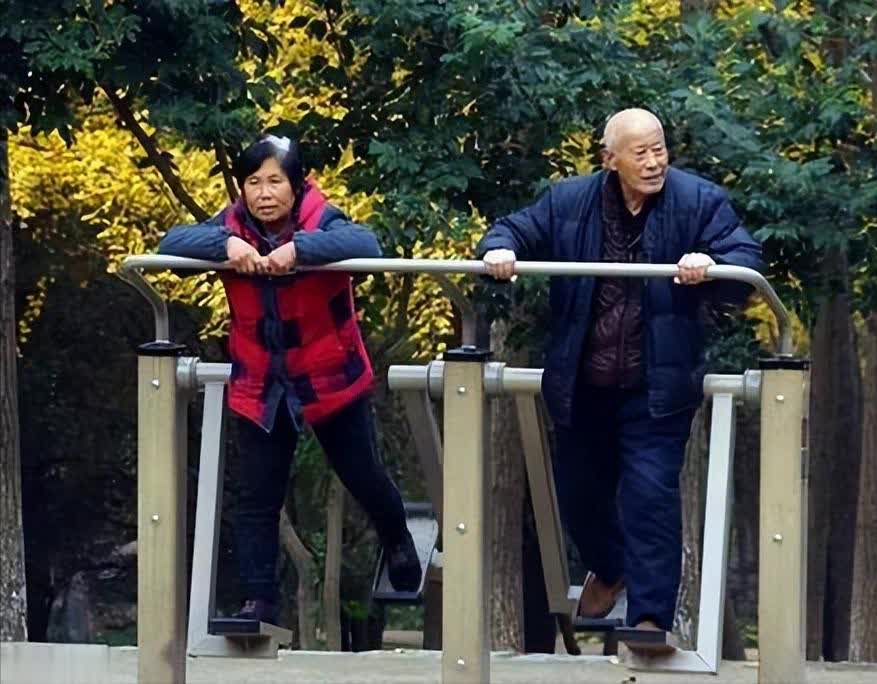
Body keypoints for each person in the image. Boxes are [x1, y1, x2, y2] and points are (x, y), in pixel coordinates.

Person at [477, 109, 762, 650]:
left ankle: (650, 619)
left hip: (656, 385)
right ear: (610, 159)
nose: (654, 162)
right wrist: (500, 250)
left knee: (649, 495)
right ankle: (609, 568)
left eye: (660, 149)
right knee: (578, 495)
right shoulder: (569, 201)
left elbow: (744, 258)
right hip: (582, 384)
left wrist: (709, 264)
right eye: (641, 153)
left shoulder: (699, 200)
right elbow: (512, 228)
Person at [158, 134, 421, 625]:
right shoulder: (232, 225)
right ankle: (258, 601)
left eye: (275, 181)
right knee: (256, 496)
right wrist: (226, 245)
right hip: (261, 381)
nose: (264, 193)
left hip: (330, 376)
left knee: (363, 476)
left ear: (297, 186)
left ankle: (397, 538)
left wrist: (299, 250)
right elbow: (171, 244)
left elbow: (366, 244)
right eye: (253, 182)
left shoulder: (322, 218)